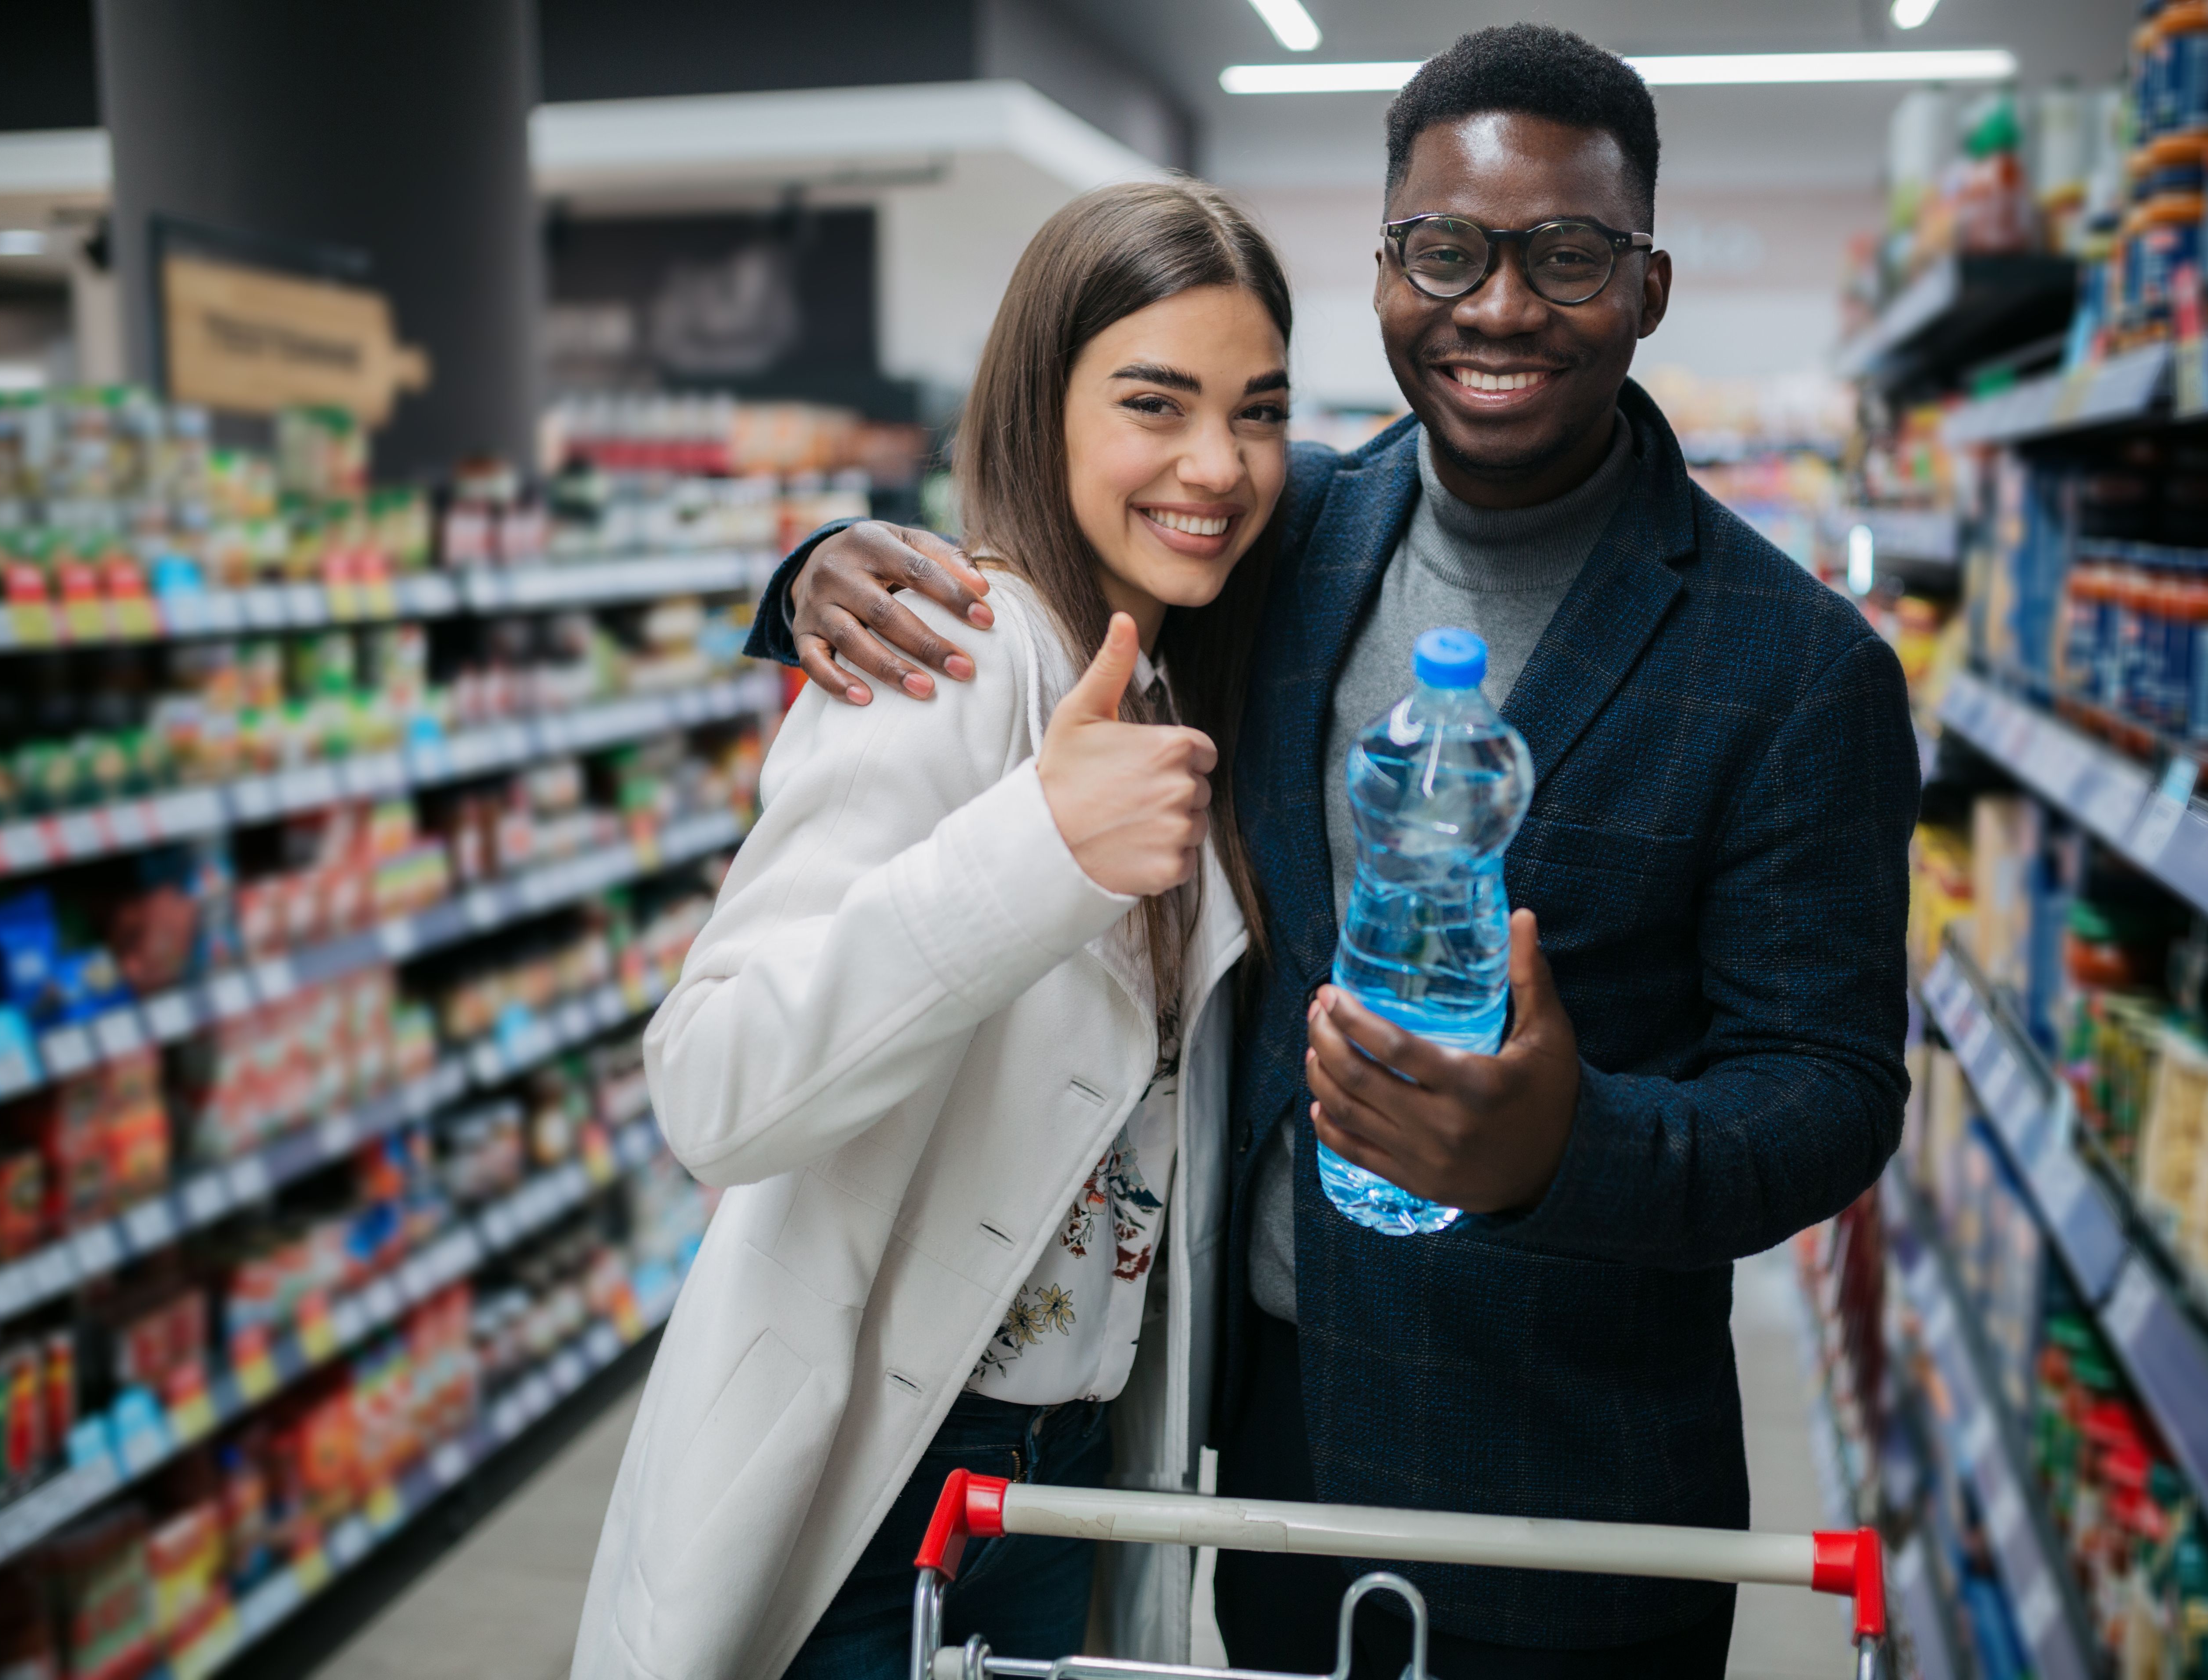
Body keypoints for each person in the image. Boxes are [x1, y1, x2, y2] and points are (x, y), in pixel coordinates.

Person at [757, 25, 1920, 1680]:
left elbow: (1827, 1095)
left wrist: (1561, 1148)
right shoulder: (1292, 534)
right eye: (1444, 251)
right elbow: (1065, 517)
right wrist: (821, 565)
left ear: (1648, 287)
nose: (1498, 307)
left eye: (1567, 256)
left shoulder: (1796, 667)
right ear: (1386, 273)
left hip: (1570, 1473)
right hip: (1270, 1440)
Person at [570, 180, 1295, 1680]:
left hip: (1064, 1465)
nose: (1217, 465)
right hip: (887, 1485)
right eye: (1153, 402)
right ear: (1040, 404)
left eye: (1260, 412)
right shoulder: (954, 656)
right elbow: (714, 1084)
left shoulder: (1166, 673)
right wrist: (1033, 852)